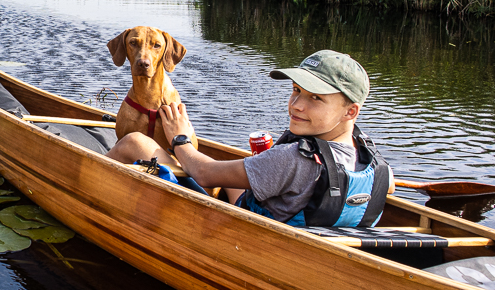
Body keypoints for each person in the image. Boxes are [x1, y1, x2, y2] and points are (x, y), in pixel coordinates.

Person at [107, 50, 393, 227]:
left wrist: (180, 138)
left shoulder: (292, 159)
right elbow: (389, 185)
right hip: (288, 217)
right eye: (296, 91)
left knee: (136, 143)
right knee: (237, 167)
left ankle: (83, 177)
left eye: (315, 98)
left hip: (245, 230)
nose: (296, 105)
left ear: (350, 111)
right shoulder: (371, 159)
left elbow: (206, 174)